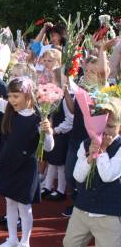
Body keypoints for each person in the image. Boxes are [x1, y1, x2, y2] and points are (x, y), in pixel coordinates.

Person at [0, 68, 54, 247]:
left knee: (24, 206)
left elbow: (49, 147)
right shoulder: (9, 110)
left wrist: (48, 133)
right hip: (9, 164)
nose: (11, 100)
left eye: (16, 96)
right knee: (10, 202)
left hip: (26, 167)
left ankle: (25, 242)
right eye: (10, 96)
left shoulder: (39, 117)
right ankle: (12, 239)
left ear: (28, 95)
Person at [63, 98, 121, 247]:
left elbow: (108, 176)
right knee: (69, 243)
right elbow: (78, 176)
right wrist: (89, 157)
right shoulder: (85, 144)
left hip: (108, 214)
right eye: (102, 125)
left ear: (119, 126)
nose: (105, 131)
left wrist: (101, 152)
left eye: (111, 126)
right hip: (82, 209)